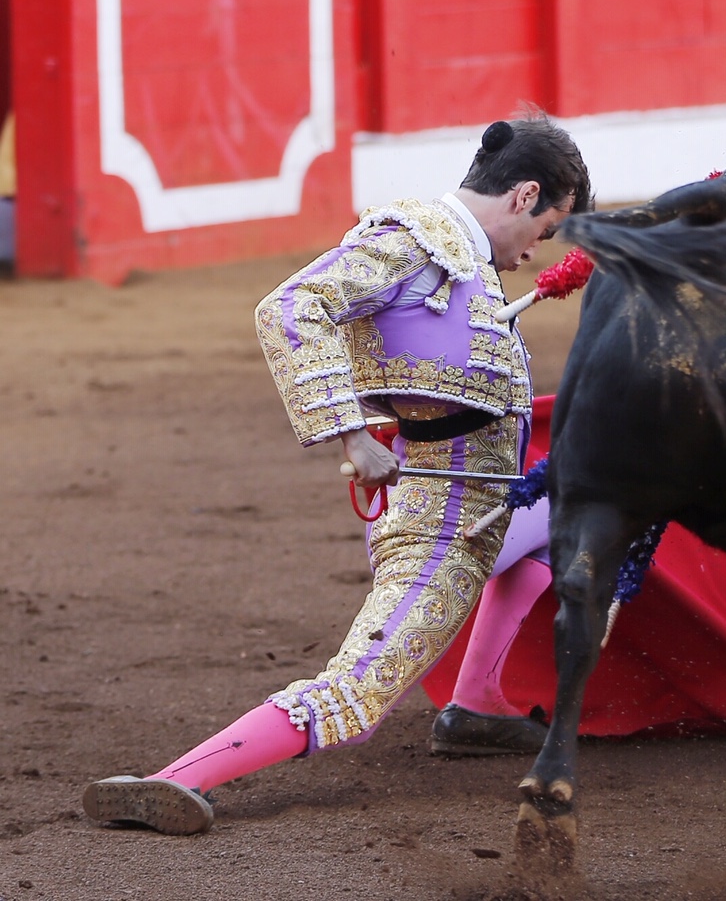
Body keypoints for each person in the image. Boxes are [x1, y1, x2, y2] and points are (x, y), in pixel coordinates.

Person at [82, 114, 592, 835]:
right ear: (524, 195)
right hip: (438, 522)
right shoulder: (411, 243)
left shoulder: (461, 260)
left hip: (485, 505)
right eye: (546, 230)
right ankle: (170, 781)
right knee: (358, 692)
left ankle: (476, 703)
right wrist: (353, 434)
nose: (536, 253)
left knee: (570, 524)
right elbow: (290, 308)